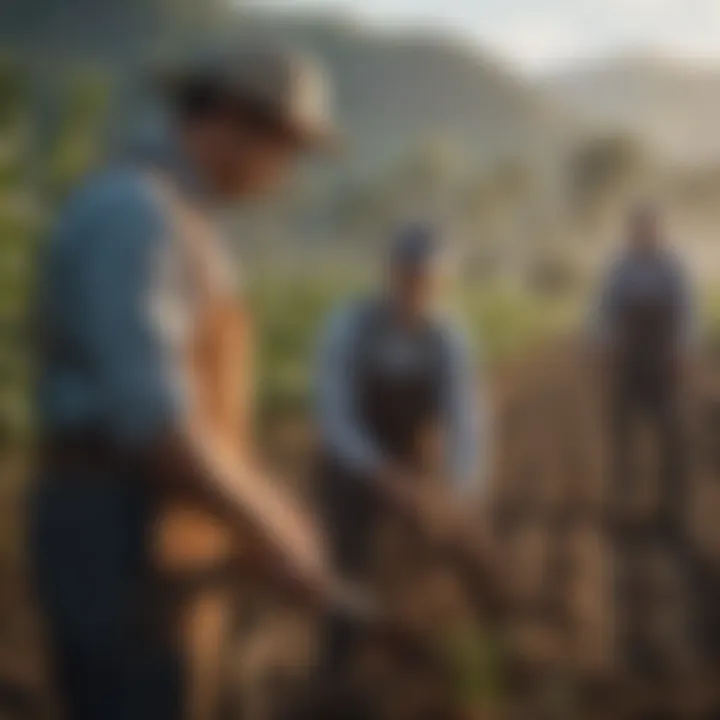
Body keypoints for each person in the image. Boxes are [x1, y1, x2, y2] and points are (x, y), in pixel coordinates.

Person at [30, 46, 339, 720]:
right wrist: (270, 528)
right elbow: (153, 419)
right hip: (115, 521)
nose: (283, 174)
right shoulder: (135, 214)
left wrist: (264, 508)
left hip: (159, 519)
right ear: (232, 119)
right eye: (285, 149)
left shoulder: (184, 222)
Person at [314, 223, 486, 718]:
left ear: (444, 282)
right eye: (410, 277)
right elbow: (334, 414)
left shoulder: (449, 337)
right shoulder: (349, 325)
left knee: (425, 565)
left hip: (414, 467)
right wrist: (378, 472)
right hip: (350, 464)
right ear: (391, 275)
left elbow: (465, 420)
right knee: (346, 563)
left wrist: (459, 490)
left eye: (429, 280)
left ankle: (418, 676)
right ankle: (336, 672)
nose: (418, 289)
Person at [592, 203, 695, 531]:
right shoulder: (620, 269)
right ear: (632, 233)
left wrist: (680, 352)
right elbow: (604, 312)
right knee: (624, 431)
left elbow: (686, 313)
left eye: (650, 228)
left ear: (659, 232)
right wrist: (607, 352)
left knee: (670, 430)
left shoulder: (672, 268)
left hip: (662, 356)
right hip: (629, 357)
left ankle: (672, 503)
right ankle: (624, 500)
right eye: (639, 229)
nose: (644, 234)